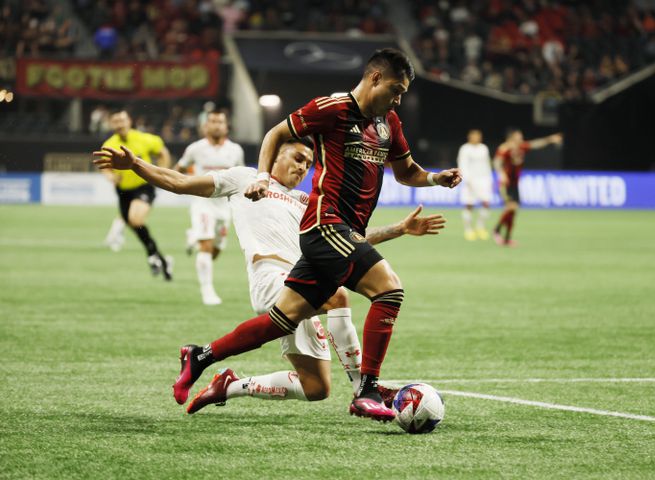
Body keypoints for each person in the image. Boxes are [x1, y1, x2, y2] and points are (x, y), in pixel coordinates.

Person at [144, 48, 457, 423]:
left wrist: (435, 179)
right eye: (396, 88)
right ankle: (367, 388)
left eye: (403, 92)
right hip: (325, 224)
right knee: (388, 289)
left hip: (343, 233)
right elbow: (277, 132)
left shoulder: (389, 122)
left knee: (282, 320)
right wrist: (261, 175)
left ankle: (201, 356)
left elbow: (407, 172)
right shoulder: (333, 108)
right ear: (375, 78)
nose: (399, 98)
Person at [94, 139, 446, 414]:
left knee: (316, 388)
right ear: (274, 156)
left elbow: (349, 240)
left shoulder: (307, 202)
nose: (302, 167)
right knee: (338, 295)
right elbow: (181, 182)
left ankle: (228, 384)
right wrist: (136, 165)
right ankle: (363, 389)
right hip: (270, 276)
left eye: (307, 164)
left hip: (302, 282)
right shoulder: (244, 178)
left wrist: (400, 228)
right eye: (296, 158)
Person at [175, 110, 245, 305]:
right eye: (212, 121)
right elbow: (180, 168)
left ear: (226, 126)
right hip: (202, 203)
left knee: (215, 250)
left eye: (220, 122)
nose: (216, 125)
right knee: (206, 246)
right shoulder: (195, 149)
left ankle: (193, 237)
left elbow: (240, 174)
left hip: (224, 206)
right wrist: (172, 181)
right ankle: (207, 291)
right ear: (205, 126)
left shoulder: (235, 150)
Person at [100, 109, 174, 279]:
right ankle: (160, 259)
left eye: (122, 120)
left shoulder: (144, 139)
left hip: (144, 186)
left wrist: (161, 172)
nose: (120, 124)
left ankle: (152, 257)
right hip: (123, 191)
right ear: (112, 124)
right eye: (116, 121)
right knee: (136, 226)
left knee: (135, 220)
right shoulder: (109, 144)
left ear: (129, 121)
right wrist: (111, 176)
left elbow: (162, 152)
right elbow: (105, 168)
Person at [493, 128, 562, 246]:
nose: (521, 138)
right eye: (518, 137)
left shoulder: (522, 147)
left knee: (513, 211)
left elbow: (536, 144)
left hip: (515, 184)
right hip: (506, 184)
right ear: (511, 138)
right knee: (511, 207)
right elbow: (496, 162)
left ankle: (507, 238)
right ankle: (497, 230)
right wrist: (501, 174)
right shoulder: (505, 148)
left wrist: (550, 139)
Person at [457, 128, 493, 241]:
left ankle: (480, 227)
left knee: (486, 203)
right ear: (469, 137)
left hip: (483, 180)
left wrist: (490, 178)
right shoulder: (465, 149)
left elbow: (487, 164)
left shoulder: (484, 148)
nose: (476, 138)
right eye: (474, 136)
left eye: (478, 136)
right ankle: (468, 230)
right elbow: (462, 164)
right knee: (469, 205)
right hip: (470, 180)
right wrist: (466, 180)